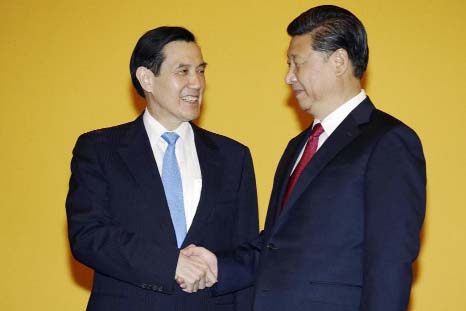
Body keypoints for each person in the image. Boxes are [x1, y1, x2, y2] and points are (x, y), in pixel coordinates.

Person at [181, 5, 426, 311]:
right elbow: (277, 243)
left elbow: (389, 266)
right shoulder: (298, 145)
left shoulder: (387, 141)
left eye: (297, 64)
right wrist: (219, 265)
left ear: (338, 61)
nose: (288, 77)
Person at [65, 26, 258, 311]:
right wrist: (170, 264)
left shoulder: (233, 156)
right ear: (147, 79)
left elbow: (246, 253)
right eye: (183, 71)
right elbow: (88, 236)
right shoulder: (99, 149)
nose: (197, 83)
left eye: (201, 71)